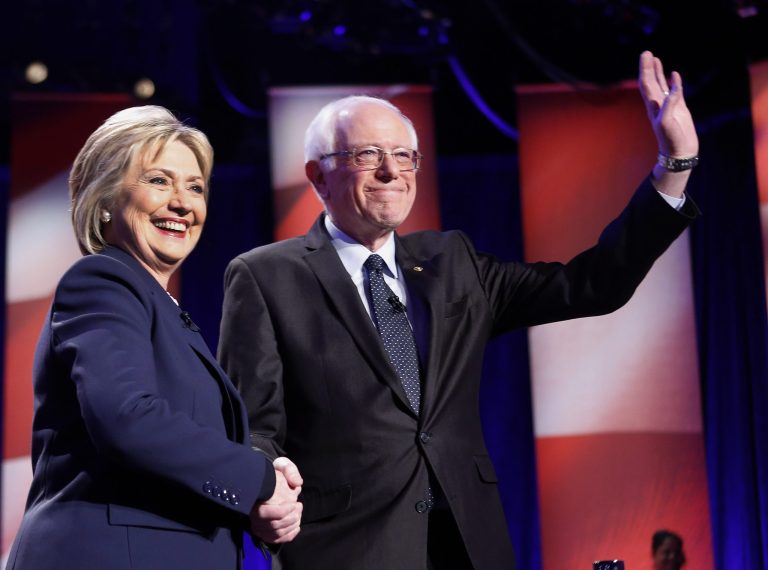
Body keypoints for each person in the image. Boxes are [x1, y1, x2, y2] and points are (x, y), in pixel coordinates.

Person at [218, 51, 699, 569]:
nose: (391, 172)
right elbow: (252, 426)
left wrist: (674, 166)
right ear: (318, 176)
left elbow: (593, 285)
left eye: (405, 157)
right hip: (345, 548)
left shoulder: (453, 263)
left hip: (468, 543)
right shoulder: (266, 276)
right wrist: (268, 488)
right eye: (368, 155)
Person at [6, 106, 303, 569]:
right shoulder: (103, 279)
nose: (183, 203)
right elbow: (127, 417)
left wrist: (258, 495)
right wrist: (258, 477)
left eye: (196, 187)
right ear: (104, 198)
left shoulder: (160, 308)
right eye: (159, 181)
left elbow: (176, 452)